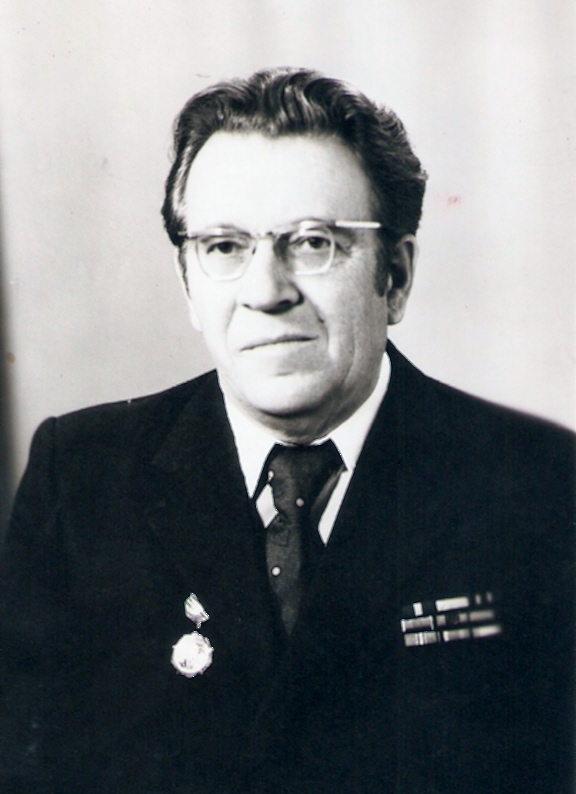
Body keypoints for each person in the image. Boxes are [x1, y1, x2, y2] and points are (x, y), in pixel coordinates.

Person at [0, 67, 574, 794]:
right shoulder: (80, 479)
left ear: (395, 277)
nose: (267, 291)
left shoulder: (540, 484)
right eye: (224, 247)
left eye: (313, 242)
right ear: (187, 284)